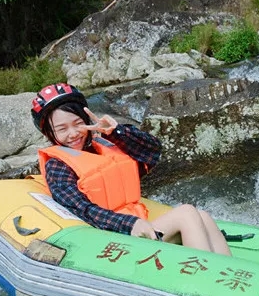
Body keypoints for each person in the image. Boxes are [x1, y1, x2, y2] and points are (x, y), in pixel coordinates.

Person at [30, 82, 231, 255]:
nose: (73, 133)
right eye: (62, 129)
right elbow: (81, 209)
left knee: (202, 216)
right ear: (49, 133)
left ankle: (226, 274)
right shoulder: (57, 167)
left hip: (132, 227)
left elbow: (152, 151)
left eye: (78, 124)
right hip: (109, 240)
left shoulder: (100, 145)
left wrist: (116, 132)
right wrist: (129, 224)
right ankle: (206, 277)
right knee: (186, 213)